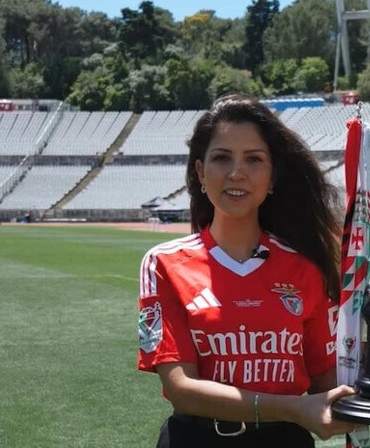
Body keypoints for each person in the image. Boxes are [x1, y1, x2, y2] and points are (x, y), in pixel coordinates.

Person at [136, 95, 357, 447]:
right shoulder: (163, 263)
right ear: (200, 172)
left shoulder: (307, 269)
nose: (236, 172)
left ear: (272, 177)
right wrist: (294, 409)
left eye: (254, 159)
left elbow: (324, 381)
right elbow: (182, 391)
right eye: (222, 158)